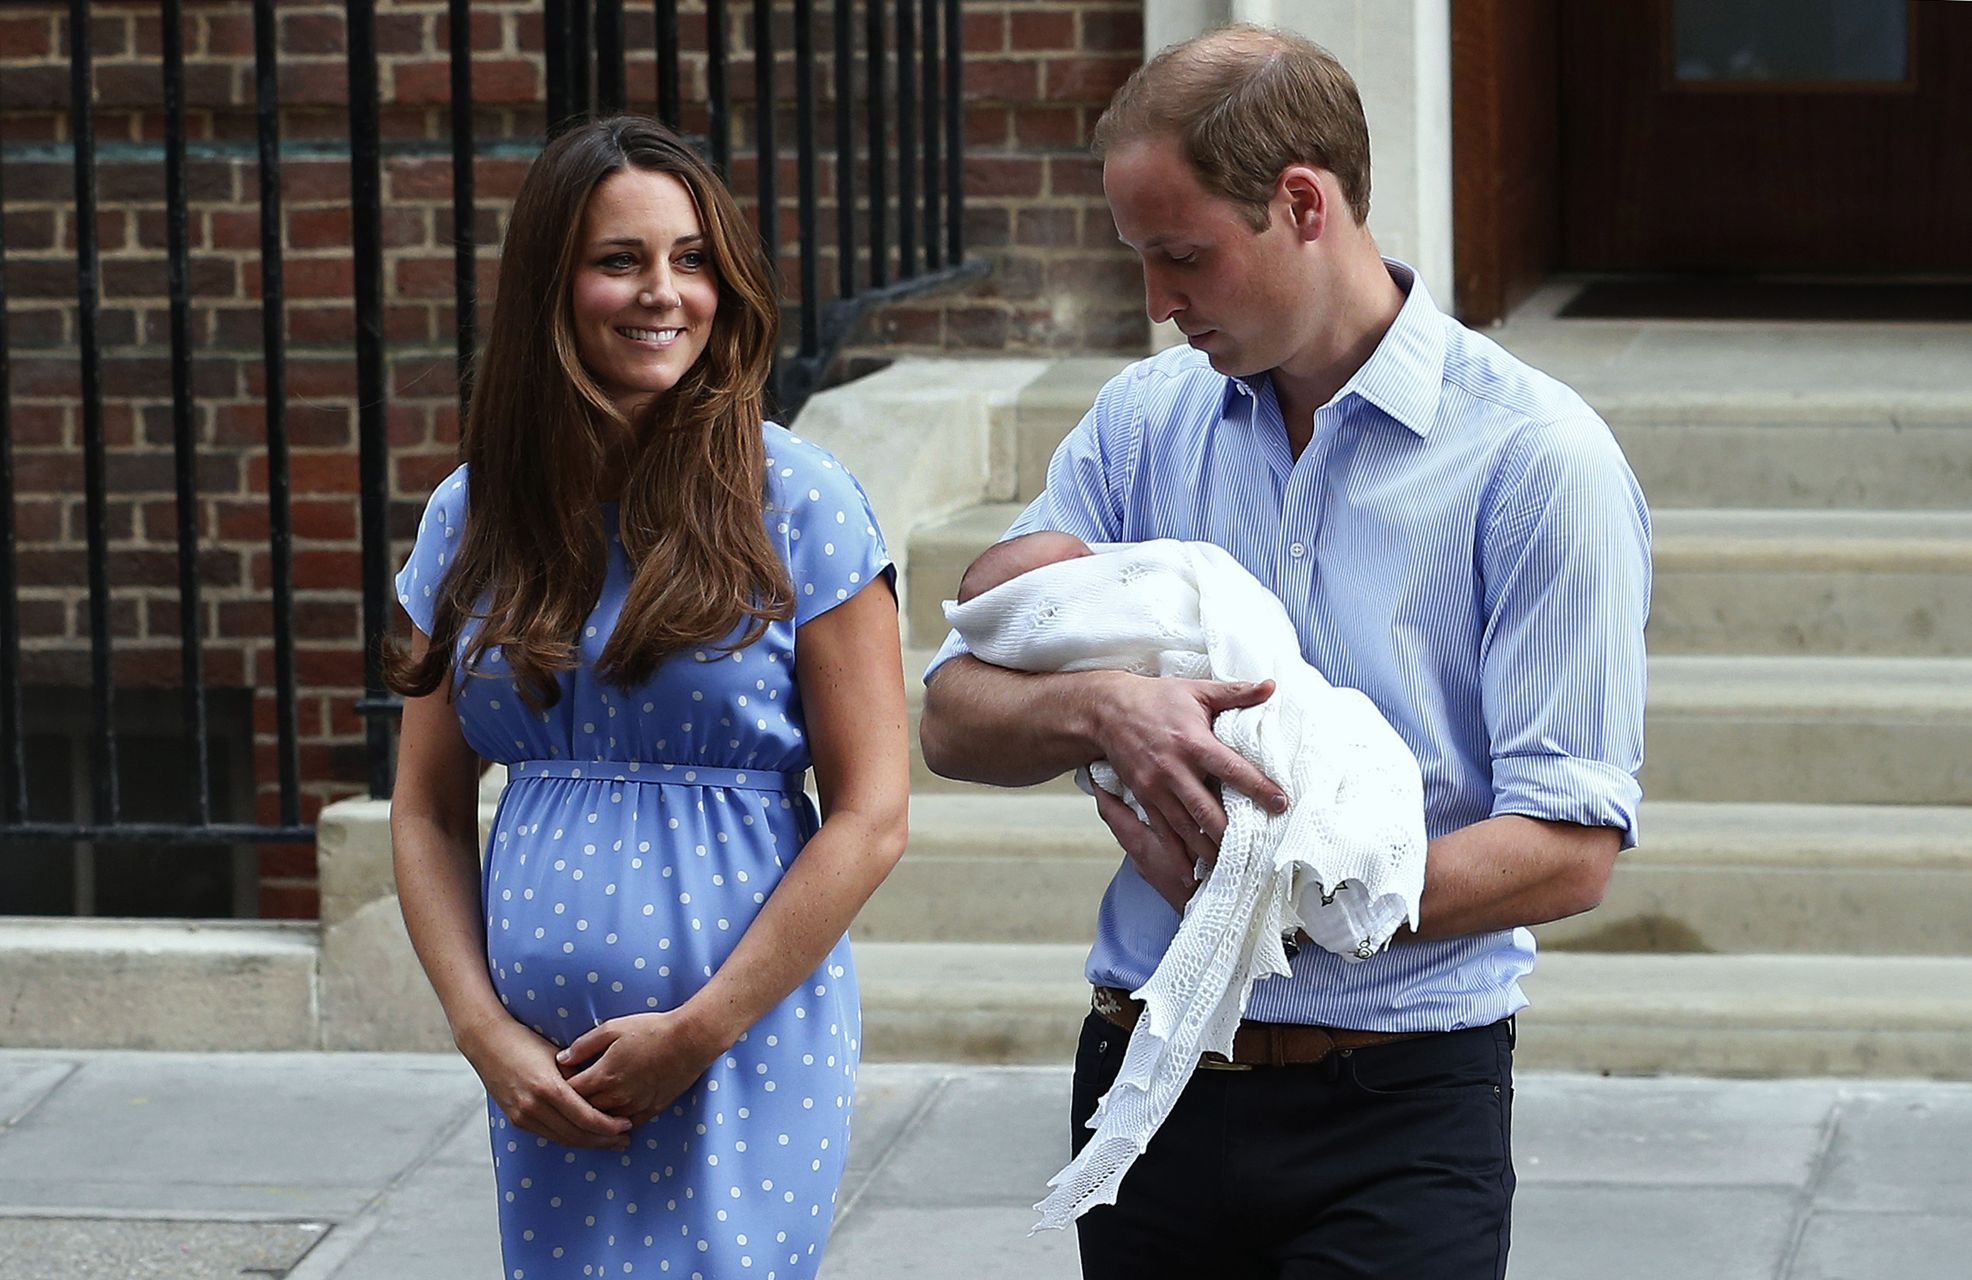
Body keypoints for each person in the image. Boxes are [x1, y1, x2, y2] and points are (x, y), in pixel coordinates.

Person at [919, 24, 1650, 1280]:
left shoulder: (1538, 459)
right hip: (1148, 1073)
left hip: (1399, 1107)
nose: (1155, 303)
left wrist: (1275, 894)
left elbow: (1570, 845)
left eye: (1179, 255)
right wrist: (1104, 707)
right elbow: (949, 712)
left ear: (1302, 202)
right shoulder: (1144, 422)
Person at [386, 115, 908, 1280]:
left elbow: (873, 811)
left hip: (738, 1046)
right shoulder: (472, 515)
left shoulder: (800, 499)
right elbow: (422, 806)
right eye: (620, 258)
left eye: (691, 259)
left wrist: (702, 1026)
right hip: (545, 1074)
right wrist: (483, 1032)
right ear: (551, 285)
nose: (663, 292)